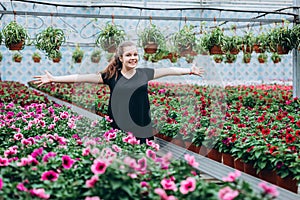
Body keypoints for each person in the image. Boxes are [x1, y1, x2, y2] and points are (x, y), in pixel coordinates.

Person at [33, 41, 205, 143]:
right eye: (129, 55)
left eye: (135, 55)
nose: (133, 58)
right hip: (118, 128)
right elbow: (81, 77)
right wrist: (54, 78)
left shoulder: (144, 74)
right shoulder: (110, 76)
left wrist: (189, 71)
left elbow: (168, 70)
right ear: (121, 58)